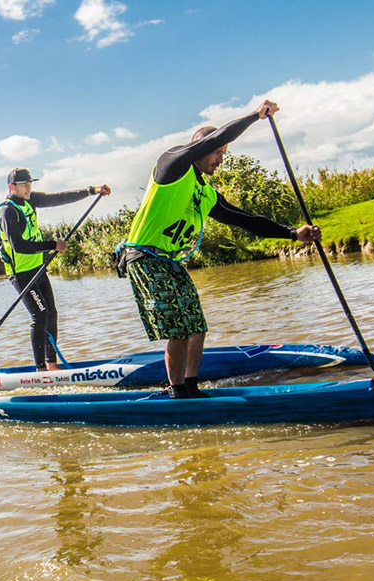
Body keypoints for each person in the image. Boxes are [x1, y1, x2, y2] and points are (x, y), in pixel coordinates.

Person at [115, 100, 320, 398]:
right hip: (144, 258)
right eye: (217, 152)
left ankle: (192, 386)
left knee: (196, 324)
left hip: (169, 261)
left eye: (224, 153)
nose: (221, 159)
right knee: (179, 329)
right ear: (200, 149)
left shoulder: (206, 193)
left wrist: (292, 233)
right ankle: (177, 392)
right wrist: (254, 116)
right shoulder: (173, 165)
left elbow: (244, 220)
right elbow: (216, 136)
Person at [0, 169, 110, 370]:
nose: (28, 187)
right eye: (24, 184)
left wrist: (91, 190)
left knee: (51, 314)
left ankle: (51, 365)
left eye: (30, 183)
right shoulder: (7, 211)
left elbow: (60, 198)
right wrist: (52, 245)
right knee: (39, 316)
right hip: (21, 274)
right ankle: (40, 370)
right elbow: (18, 246)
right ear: (12, 187)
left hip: (38, 269)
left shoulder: (30, 200)